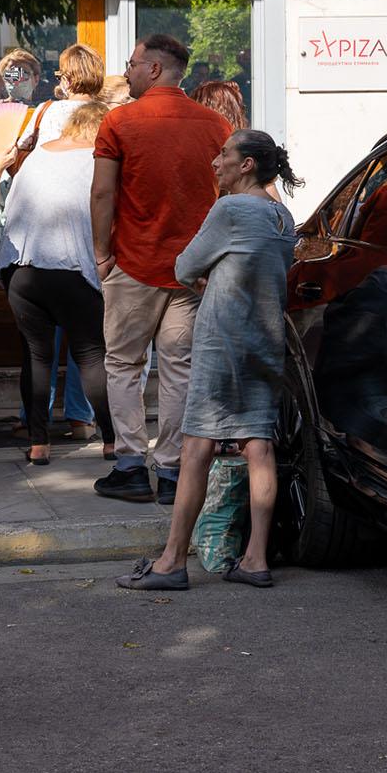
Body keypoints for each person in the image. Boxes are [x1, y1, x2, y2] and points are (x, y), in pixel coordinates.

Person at [120, 130, 302, 591]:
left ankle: (171, 561)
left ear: (247, 165)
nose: (216, 162)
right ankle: (255, 558)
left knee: (196, 446)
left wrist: (208, 277)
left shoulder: (232, 209)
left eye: (224, 154)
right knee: (258, 444)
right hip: (265, 339)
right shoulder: (283, 216)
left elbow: (183, 268)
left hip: (223, 340)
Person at [91, 34, 234, 506]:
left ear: (153, 69)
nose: (127, 71)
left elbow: (102, 194)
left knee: (124, 365)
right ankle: (172, 470)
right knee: (179, 369)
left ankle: (131, 463)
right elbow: (227, 196)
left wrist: (100, 254)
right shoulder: (215, 125)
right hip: (192, 270)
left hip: (133, 262)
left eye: (132, 63)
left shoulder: (120, 121)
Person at [0, 103, 117, 464]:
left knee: (37, 356)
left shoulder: (35, 158)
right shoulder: (98, 160)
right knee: (92, 355)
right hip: (73, 268)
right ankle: (112, 440)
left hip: (24, 269)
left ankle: (38, 444)